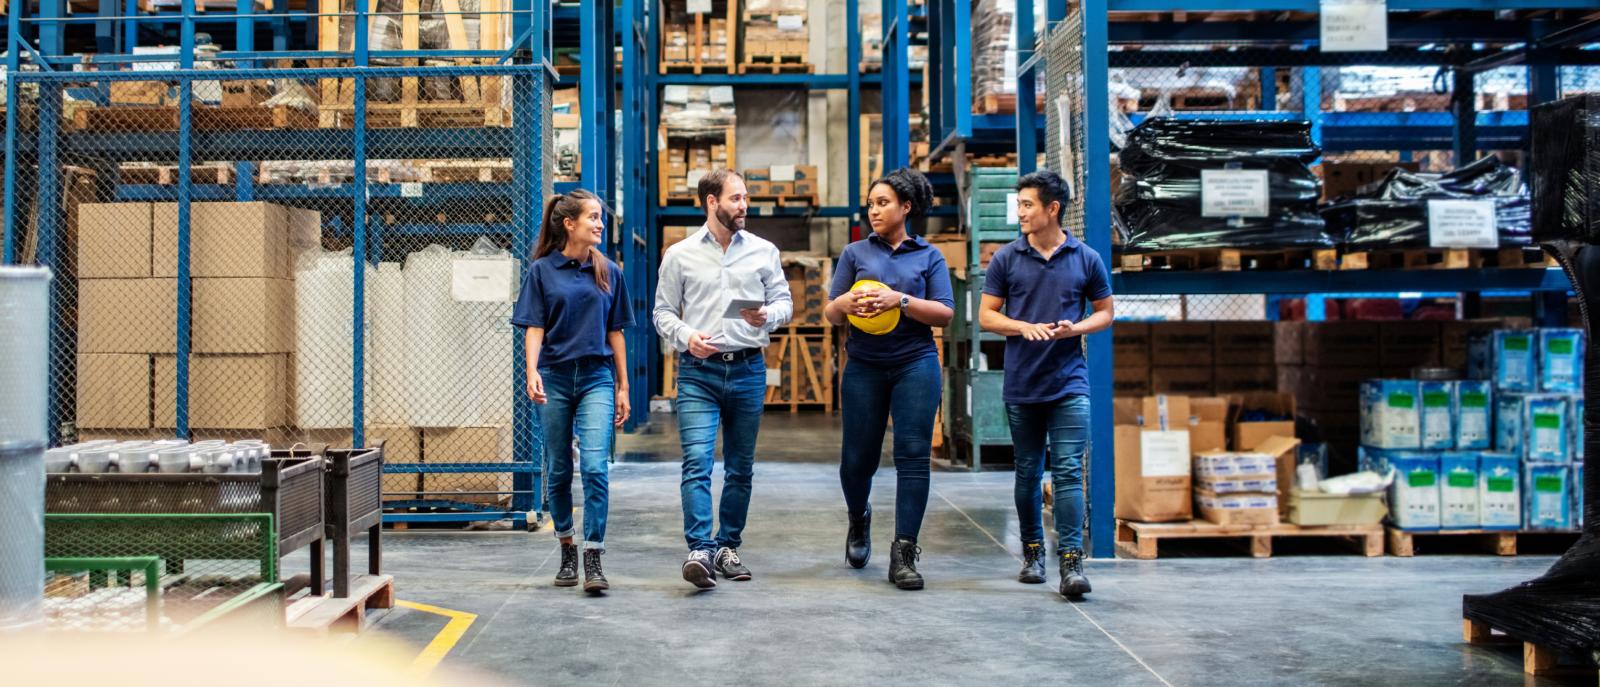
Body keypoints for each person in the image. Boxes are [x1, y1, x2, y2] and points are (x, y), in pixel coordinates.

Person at [653, 168, 793, 590]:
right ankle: (699, 548)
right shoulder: (680, 255)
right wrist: (686, 336)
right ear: (711, 202)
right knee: (696, 462)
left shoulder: (764, 251)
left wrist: (769, 314)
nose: (743, 205)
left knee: (740, 467)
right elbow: (662, 313)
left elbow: (785, 301)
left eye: (745, 198)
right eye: (735, 198)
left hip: (749, 368)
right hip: (699, 372)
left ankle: (728, 546)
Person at [977, 170, 1113, 599]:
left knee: (1069, 471)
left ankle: (1071, 561)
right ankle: (1033, 552)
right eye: (1019, 204)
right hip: (1023, 383)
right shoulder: (1006, 258)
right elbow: (986, 316)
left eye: (1027, 205)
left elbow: (1106, 312)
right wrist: (1021, 327)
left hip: (1069, 382)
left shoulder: (1086, 258)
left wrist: (1076, 329)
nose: (1020, 212)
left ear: (1052, 209)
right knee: (1028, 470)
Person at [825, 167, 954, 591]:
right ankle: (859, 518)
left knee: (913, 455)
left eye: (883, 203)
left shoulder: (929, 256)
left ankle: (904, 551)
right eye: (871, 203)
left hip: (915, 362)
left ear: (906, 207)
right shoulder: (854, 253)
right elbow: (830, 311)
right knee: (856, 460)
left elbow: (945, 312)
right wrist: (843, 302)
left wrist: (898, 299)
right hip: (864, 365)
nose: (874, 210)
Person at [511, 189, 634, 594]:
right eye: (593, 217)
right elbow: (534, 327)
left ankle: (593, 554)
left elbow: (615, 332)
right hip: (556, 377)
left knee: (596, 467)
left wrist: (623, 385)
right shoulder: (542, 271)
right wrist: (532, 371)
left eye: (600, 218)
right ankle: (566, 545)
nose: (600, 224)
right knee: (559, 466)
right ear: (570, 224)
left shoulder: (609, 271)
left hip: (597, 376)